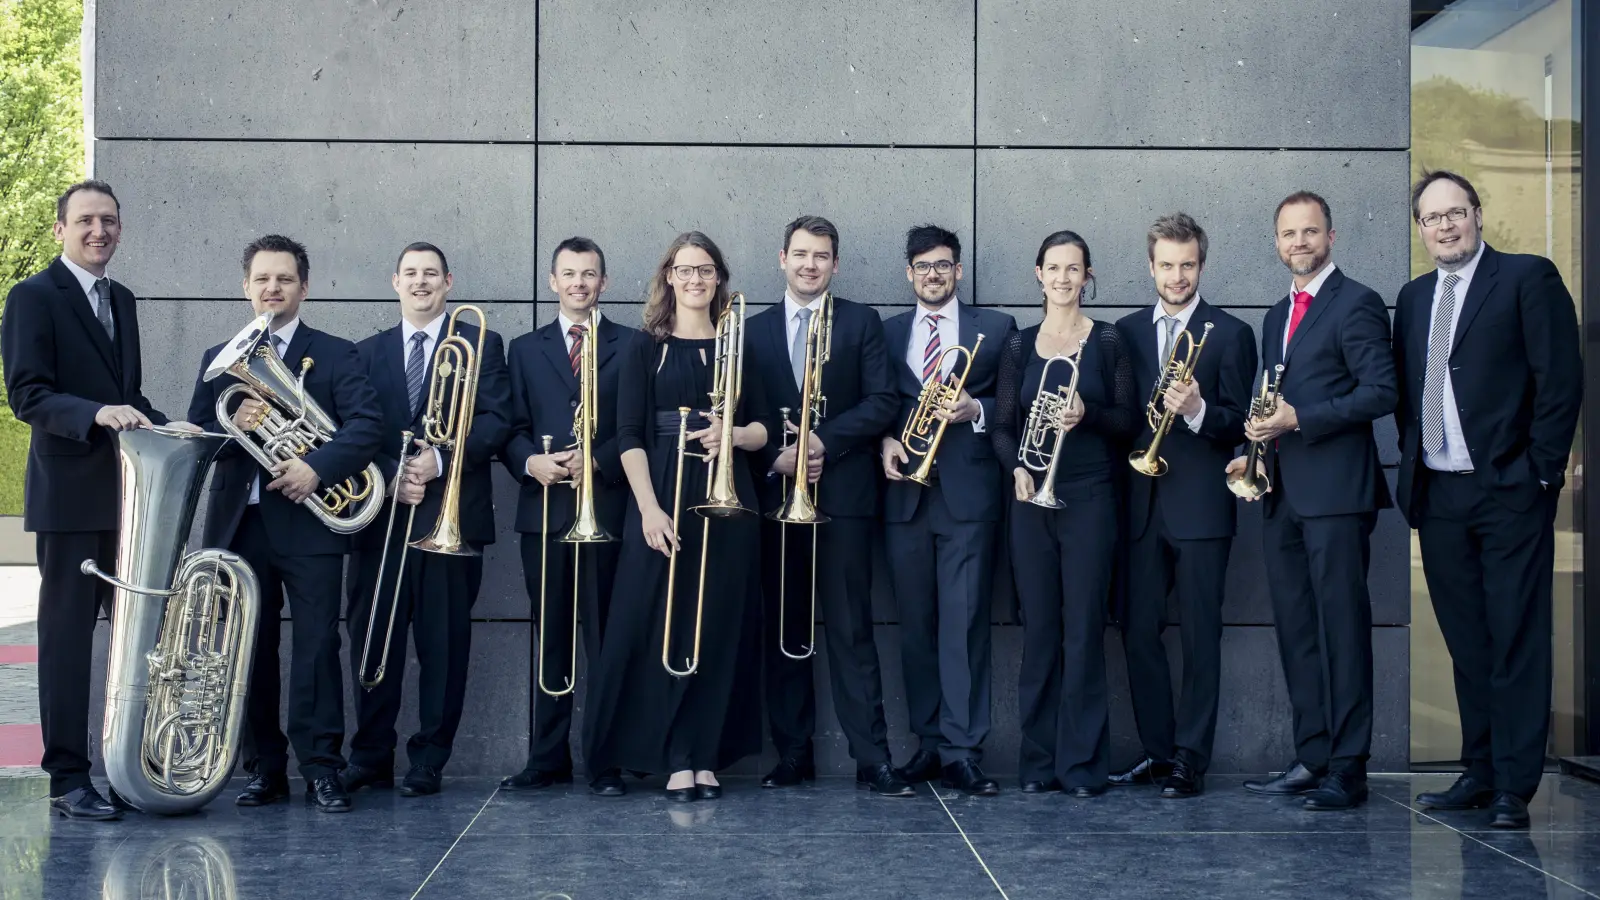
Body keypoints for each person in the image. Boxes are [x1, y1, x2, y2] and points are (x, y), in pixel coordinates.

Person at [1, 180, 194, 820]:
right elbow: (27, 394)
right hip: (69, 497)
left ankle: (123, 770)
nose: (98, 231)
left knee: (132, 640)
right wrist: (96, 413)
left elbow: (127, 397)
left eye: (108, 221)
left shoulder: (123, 299)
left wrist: (167, 424)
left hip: (128, 500)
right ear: (60, 229)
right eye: (85, 221)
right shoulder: (31, 296)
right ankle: (66, 779)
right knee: (65, 640)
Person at [1394, 171, 1581, 829]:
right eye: (1432, 218)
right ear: (1420, 229)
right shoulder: (1414, 299)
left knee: (1515, 639)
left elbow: (1560, 383)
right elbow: (1408, 394)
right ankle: (1479, 771)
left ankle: (1514, 786)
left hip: (1508, 491)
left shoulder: (1528, 279)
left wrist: (1539, 475)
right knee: (1468, 641)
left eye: (1456, 213)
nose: (1445, 226)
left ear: (1478, 214)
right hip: (1440, 494)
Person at [187, 234, 383, 813]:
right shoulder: (218, 359)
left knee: (318, 646)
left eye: (285, 280)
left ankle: (321, 767)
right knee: (249, 649)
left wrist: (314, 468)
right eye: (263, 280)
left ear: (305, 286)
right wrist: (234, 426)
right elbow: (201, 441)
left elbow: (367, 426)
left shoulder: (336, 352)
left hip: (310, 525)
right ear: (245, 287)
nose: (273, 289)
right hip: (238, 526)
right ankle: (263, 768)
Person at [581, 232, 769, 801]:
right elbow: (629, 435)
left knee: (717, 626)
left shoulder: (741, 343)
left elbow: (763, 430)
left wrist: (730, 434)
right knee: (654, 623)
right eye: (684, 270)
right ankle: (666, 755)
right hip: (662, 489)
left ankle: (703, 755)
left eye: (705, 270)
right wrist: (647, 509)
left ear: (718, 279)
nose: (695, 279)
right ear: (668, 276)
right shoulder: (645, 347)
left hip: (727, 496)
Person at [1229, 192, 1397, 811]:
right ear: (1276, 242)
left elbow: (1380, 391)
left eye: (1309, 231)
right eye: (1287, 233)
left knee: (1342, 630)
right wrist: (1253, 449)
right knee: (1298, 629)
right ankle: (1313, 755)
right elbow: (1271, 398)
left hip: (1335, 495)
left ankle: (1348, 766)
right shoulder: (1277, 315)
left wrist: (1303, 419)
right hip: (1281, 492)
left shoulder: (1356, 303)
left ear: (1332, 236)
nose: (1298, 242)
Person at [745, 216, 910, 796]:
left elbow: (883, 400)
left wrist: (822, 442)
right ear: (782, 258)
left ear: (835, 265)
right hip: (774, 497)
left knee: (850, 628)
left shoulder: (861, 322)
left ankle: (873, 758)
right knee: (785, 629)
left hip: (844, 496)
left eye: (821, 256)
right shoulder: (749, 329)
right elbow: (738, 414)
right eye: (801, 254)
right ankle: (793, 754)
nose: (810, 264)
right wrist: (775, 461)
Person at [341, 242, 510, 798]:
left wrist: (435, 461)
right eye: (410, 273)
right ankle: (369, 756)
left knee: (445, 646)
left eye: (430, 274)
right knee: (373, 644)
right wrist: (395, 471)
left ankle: (429, 760)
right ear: (395, 281)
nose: (420, 282)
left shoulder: (482, 344)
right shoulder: (363, 354)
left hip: (451, 516)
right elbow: (353, 431)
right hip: (381, 516)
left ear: (448, 282)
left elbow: (496, 422)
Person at [1111, 214, 1255, 797]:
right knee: (1137, 631)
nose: (1177, 276)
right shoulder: (1122, 333)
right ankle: (1157, 749)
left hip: (1200, 510)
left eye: (1187, 264)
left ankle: (1191, 759)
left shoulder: (1232, 333)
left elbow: (1246, 425)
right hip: (1140, 504)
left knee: (1200, 636)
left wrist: (1197, 410)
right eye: (1166, 265)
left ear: (1202, 264)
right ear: (1151, 266)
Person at [991, 230, 1137, 797]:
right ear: (1038, 273)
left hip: (1091, 497)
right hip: (1032, 499)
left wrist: (1089, 413)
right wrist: (1018, 469)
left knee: (1083, 631)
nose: (1063, 278)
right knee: (1041, 631)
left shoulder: (1107, 341)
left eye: (1073, 269)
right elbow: (1003, 426)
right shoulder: (1018, 345)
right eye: (1053, 267)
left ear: (1088, 275)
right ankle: (1037, 764)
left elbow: (1128, 419)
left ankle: (1080, 767)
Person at [500, 237, 643, 797]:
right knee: (551, 637)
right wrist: (530, 461)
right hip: (544, 514)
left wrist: (599, 463)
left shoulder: (630, 345)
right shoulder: (524, 349)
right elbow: (509, 428)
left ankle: (605, 758)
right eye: (569, 274)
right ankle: (546, 756)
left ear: (603, 283)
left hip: (605, 510)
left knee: (605, 637)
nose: (579, 283)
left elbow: (636, 426)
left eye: (589, 274)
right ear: (553, 282)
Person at [880, 224, 1018, 796]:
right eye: (922, 266)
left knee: (963, 626)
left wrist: (977, 409)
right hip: (906, 496)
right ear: (910, 274)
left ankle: (964, 748)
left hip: (967, 496)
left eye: (943, 265)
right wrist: (882, 441)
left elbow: (1015, 401)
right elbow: (875, 403)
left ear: (958, 271)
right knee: (915, 627)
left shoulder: (996, 328)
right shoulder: (884, 334)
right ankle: (930, 744)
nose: (933, 274)